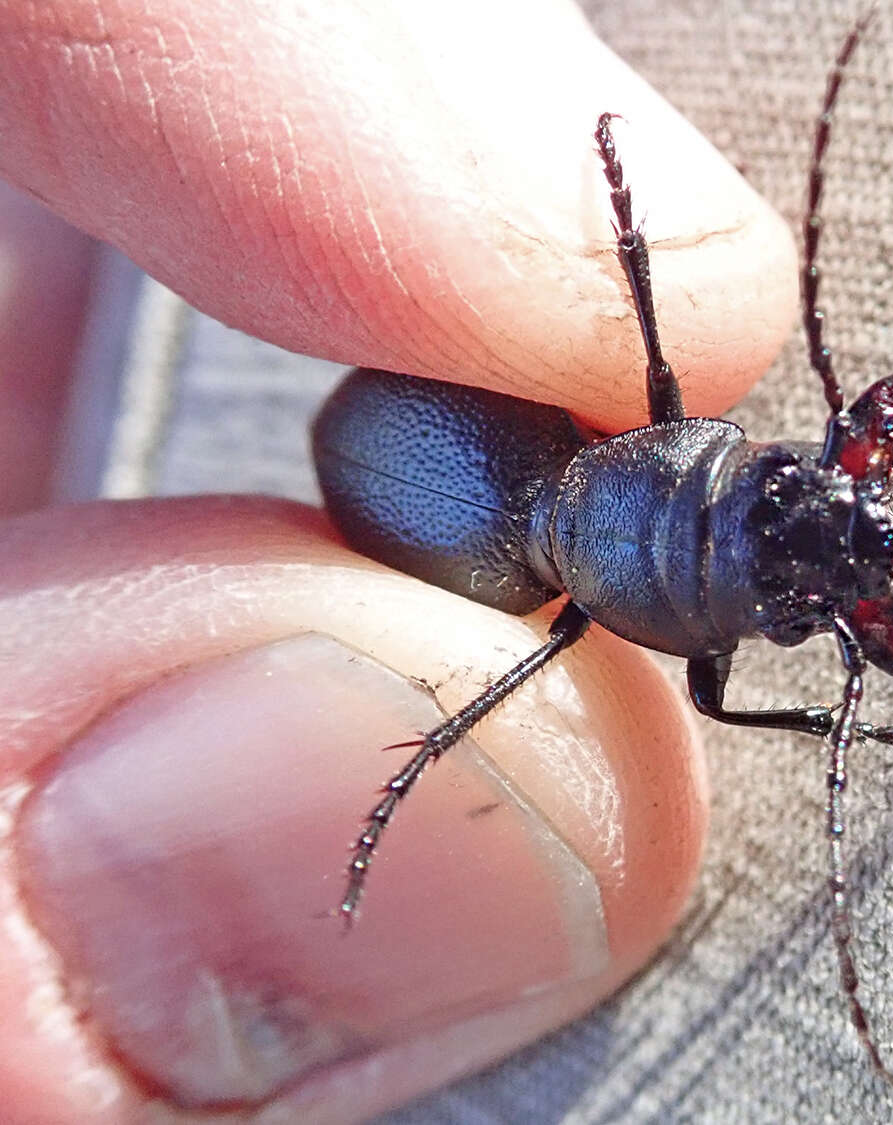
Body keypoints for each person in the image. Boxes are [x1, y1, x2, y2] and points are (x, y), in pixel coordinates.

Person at [0, 1, 795, 1118]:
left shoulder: (588, 477)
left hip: (443, 475)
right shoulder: (566, 551)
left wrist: (622, 202)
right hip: (441, 490)